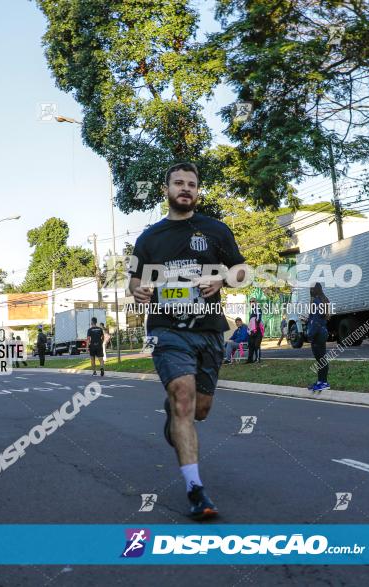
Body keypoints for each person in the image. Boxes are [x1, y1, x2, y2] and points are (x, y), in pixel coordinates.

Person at [128, 161, 245, 520]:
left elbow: (242, 270)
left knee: (201, 409)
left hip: (209, 330)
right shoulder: (149, 238)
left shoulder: (216, 230)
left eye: (191, 184)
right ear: (166, 189)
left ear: (197, 191)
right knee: (182, 395)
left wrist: (223, 280)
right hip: (166, 329)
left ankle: (174, 416)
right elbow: (132, 281)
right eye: (178, 182)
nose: (185, 188)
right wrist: (139, 291)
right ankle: (196, 489)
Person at [307, 282, 331, 391]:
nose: (310, 290)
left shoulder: (316, 301)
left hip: (317, 333)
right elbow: (320, 318)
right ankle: (320, 381)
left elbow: (316, 320)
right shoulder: (323, 300)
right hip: (322, 331)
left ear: (315, 289)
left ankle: (324, 382)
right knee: (321, 359)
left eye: (311, 288)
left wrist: (310, 334)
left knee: (321, 359)